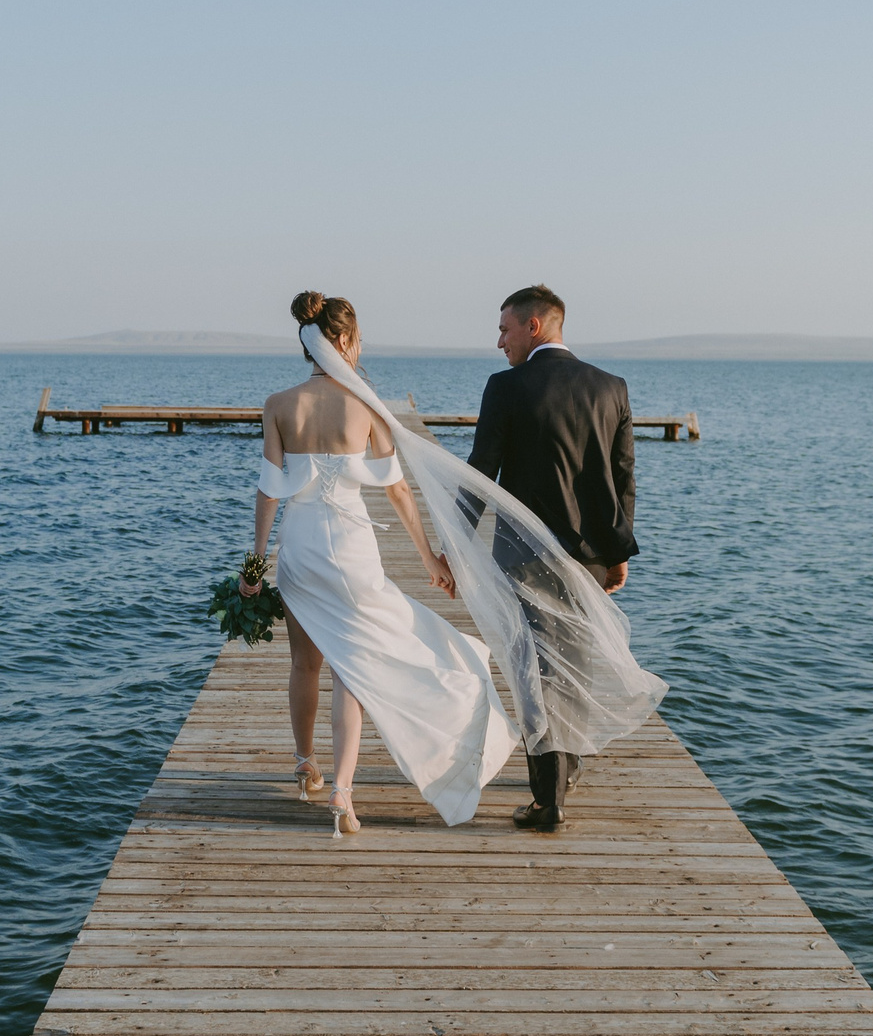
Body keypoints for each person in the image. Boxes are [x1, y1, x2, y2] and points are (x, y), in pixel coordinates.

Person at [238, 292, 516, 836]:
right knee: (351, 667)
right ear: (344, 342)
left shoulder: (278, 404)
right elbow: (397, 491)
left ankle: (304, 766)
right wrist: (429, 557)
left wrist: (255, 563)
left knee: (304, 662)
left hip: (300, 548)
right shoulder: (365, 405)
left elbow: (269, 493)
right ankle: (343, 791)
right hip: (352, 549)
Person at [466, 283, 640, 831]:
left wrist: (452, 545)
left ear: (534, 326)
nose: (500, 341)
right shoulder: (611, 388)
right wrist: (617, 553)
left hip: (522, 554)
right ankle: (569, 768)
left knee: (531, 668)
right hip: (587, 556)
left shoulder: (506, 387)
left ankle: (548, 800)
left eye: (504, 329)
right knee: (575, 663)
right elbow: (623, 480)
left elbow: (480, 472)